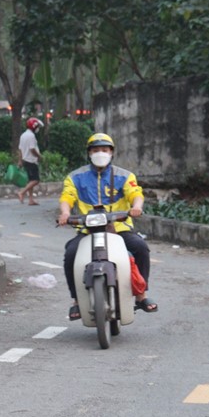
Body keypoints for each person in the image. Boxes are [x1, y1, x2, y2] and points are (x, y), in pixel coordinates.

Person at [57, 132, 157, 319]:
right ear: (89, 153)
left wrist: (136, 207)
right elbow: (67, 196)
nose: (100, 153)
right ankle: (76, 301)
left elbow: (135, 193)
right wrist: (65, 213)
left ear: (111, 153)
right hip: (88, 230)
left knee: (141, 248)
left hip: (119, 229)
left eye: (104, 149)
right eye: (96, 150)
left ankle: (142, 296)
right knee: (71, 252)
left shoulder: (124, 176)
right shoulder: (76, 177)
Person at [17, 117, 43, 205]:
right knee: (36, 180)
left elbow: (20, 149)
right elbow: (32, 149)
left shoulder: (23, 135)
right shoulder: (31, 136)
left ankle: (31, 199)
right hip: (31, 160)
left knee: (30, 180)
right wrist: (39, 156)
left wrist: (20, 161)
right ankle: (22, 192)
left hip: (25, 160)